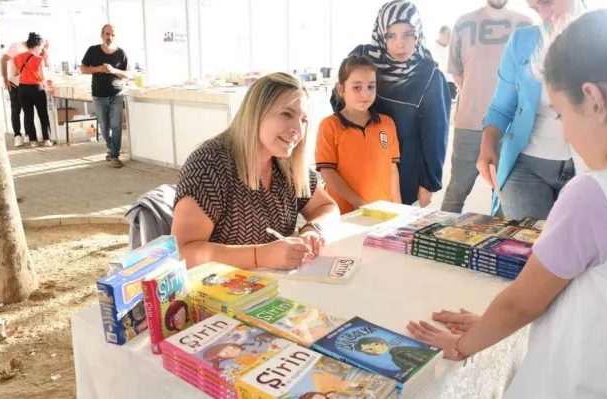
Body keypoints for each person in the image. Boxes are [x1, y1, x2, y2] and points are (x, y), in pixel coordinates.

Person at [408, 9, 607, 398]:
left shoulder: (594, 195)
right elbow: (596, 302)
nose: (564, 130)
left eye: (559, 114)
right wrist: (490, 322)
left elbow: (522, 303)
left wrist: (458, 347)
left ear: (595, 100)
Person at [171, 73, 339, 270]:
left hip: (276, 287)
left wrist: (313, 230)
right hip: (220, 293)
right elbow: (182, 254)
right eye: (286, 114)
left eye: (303, 120)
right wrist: (260, 256)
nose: (298, 130)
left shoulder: (286, 163)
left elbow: (327, 207)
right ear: (256, 113)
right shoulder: (208, 165)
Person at [333, 0, 452, 207]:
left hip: (404, 175)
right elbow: (339, 102)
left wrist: (428, 184)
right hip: (355, 166)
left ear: (418, 35)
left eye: (408, 34)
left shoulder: (429, 75)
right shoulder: (361, 58)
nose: (400, 43)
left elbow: (436, 135)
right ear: (380, 34)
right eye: (391, 35)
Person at [476, 0, 586, 220]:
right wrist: (487, 144)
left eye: (546, 2)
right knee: (527, 248)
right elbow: (501, 106)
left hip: (587, 167)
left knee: (579, 250)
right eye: (535, 9)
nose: (543, 14)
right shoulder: (521, 41)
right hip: (525, 166)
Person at [440, 0, 531, 214]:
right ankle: (438, 244)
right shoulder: (463, 23)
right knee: (457, 191)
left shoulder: (526, 25)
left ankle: (495, 248)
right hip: (469, 124)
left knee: (504, 199)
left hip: (511, 129)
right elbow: (457, 73)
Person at [315, 55, 401, 214]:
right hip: (344, 213)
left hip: (382, 212)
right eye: (357, 87)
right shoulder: (329, 126)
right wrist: (358, 203)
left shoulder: (387, 124)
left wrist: (398, 208)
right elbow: (327, 172)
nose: (365, 94)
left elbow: (392, 169)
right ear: (341, 89)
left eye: (371, 87)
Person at [80, 24, 129, 169]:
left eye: (113, 35)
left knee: (116, 126)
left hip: (117, 94)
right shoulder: (93, 50)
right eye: (108, 34)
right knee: (104, 126)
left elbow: (126, 73)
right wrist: (98, 69)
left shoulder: (121, 53)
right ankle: (111, 147)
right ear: (102, 35)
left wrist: (113, 70)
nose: (110, 37)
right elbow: (83, 68)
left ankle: (115, 155)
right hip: (99, 94)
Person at [13, 32, 52, 148]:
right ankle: (46, 140)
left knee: (28, 116)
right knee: (43, 115)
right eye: (41, 47)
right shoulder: (39, 59)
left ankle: (33, 142)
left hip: (23, 89)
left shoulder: (18, 57)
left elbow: (15, 73)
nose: (41, 49)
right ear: (37, 46)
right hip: (36, 88)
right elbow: (42, 77)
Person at [429, 26, 457, 99]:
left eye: (451, 35)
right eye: (448, 35)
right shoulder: (429, 47)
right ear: (441, 34)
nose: (450, 38)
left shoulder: (452, 48)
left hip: (450, 82)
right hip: (435, 82)